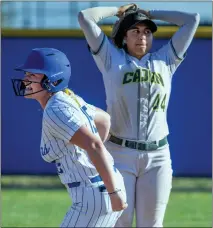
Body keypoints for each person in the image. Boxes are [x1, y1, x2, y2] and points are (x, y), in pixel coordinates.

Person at [78, 3, 200, 227]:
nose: (142, 36)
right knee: (119, 223)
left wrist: (151, 13)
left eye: (146, 31)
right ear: (124, 37)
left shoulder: (166, 60)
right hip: (119, 154)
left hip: (158, 157)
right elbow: (85, 17)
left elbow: (192, 19)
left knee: (152, 225)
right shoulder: (110, 58)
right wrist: (118, 10)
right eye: (135, 30)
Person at [11, 47, 127, 227]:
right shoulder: (67, 99)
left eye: (32, 75)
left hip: (94, 194)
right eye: (26, 74)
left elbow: (95, 145)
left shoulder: (56, 109)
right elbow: (104, 120)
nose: (25, 80)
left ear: (52, 80)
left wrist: (113, 192)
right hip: (99, 190)